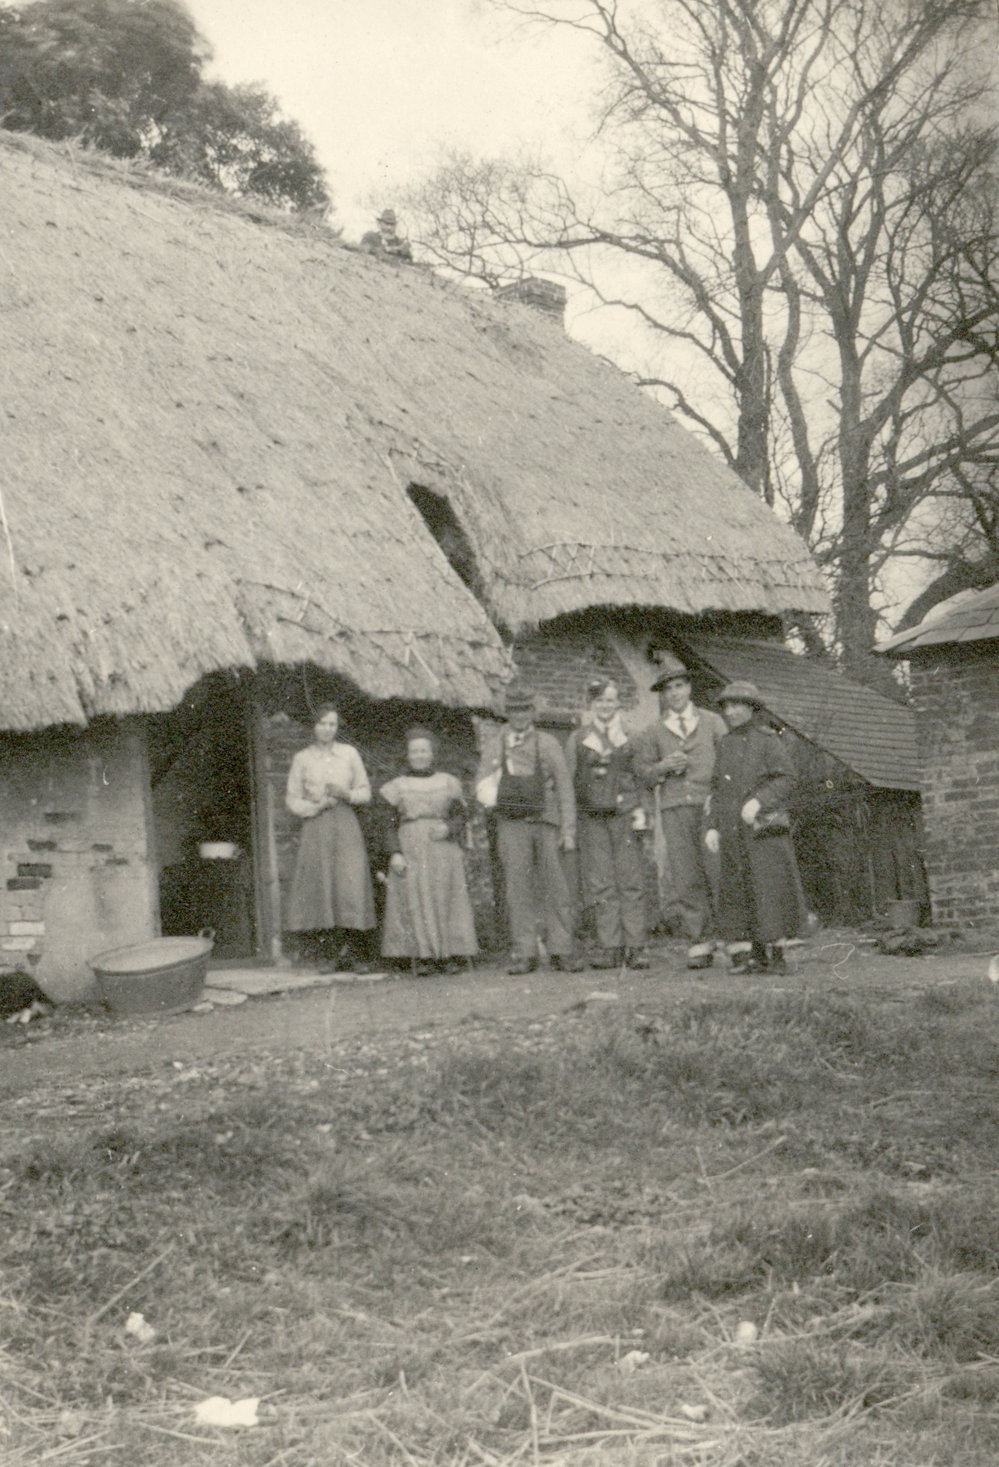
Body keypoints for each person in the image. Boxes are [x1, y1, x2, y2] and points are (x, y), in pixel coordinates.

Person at [475, 682, 584, 974]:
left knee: (556, 887)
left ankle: (561, 948)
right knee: (518, 890)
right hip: (512, 826)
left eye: (524, 710)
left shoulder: (547, 743)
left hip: (547, 822)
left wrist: (568, 829)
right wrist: (497, 791)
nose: (520, 716)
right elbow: (482, 785)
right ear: (506, 713)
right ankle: (525, 951)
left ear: (532, 712)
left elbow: (564, 788)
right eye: (514, 710)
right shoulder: (496, 744)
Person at [704, 681, 809, 975]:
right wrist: (712, 826)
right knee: (739, 891)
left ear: (752, 708)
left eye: (738, 705)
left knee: (768, 889)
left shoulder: (767, 740)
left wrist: (759, 801)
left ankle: (775, 955)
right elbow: (716, 788)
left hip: (762, 831)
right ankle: (751, 955)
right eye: (727, 706)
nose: (732, 711)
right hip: (732, 831)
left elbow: (786, 777)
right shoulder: (724, 743)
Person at [631, 655, 727, 969]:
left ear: (689, 688)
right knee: (686, 875)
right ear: (662, 694)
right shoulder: (654, 731)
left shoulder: (712, 722)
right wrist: (663, 767)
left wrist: (720, 795)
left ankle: (735, 937)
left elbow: (729, 764)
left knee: (719, 870)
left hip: (710, 806)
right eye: (668, 689)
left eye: (680, 686)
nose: (675, 693)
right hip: (674, 808)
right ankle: (700, 941)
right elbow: (642, 774)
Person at [378, 728, 478, 975]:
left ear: (432, 754)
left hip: (443, 848)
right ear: (408, 755)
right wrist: (395, 853)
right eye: (414, 751)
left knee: (445, 896)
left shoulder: (448, 782)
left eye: (424, 751)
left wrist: (449, 827)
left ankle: (448, 954)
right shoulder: (396, 786)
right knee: (415, 897)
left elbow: (463, 814)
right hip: (411, 846)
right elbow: (387, 824)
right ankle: (422, 957)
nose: (419, 756)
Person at [564, 679, 649, 969]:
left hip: (624, 814)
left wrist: (641, 811)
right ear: (592, 704)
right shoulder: (578, 738)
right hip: (593, 817)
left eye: (610, 701)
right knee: (601, 882)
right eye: (599, 701)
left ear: (618, 704)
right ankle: (611, 946)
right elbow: (570, 780)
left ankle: (636, 946)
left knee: (630, 880)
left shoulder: (631, 735)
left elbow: (641, 777)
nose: (605, 706)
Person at [285, 703, 376, 972]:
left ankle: (353, 953)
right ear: (313, 726)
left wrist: (346, 794)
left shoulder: (349, 754)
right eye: (322, 723)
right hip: (317, 825)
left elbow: (365, 792)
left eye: (332, 724)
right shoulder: (302, 758)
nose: (327, 729)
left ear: (338, 727)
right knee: (322, 884)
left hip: (346, 823)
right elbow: (292, 799)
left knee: (349, 883)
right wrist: (316, 807)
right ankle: (328, 954)